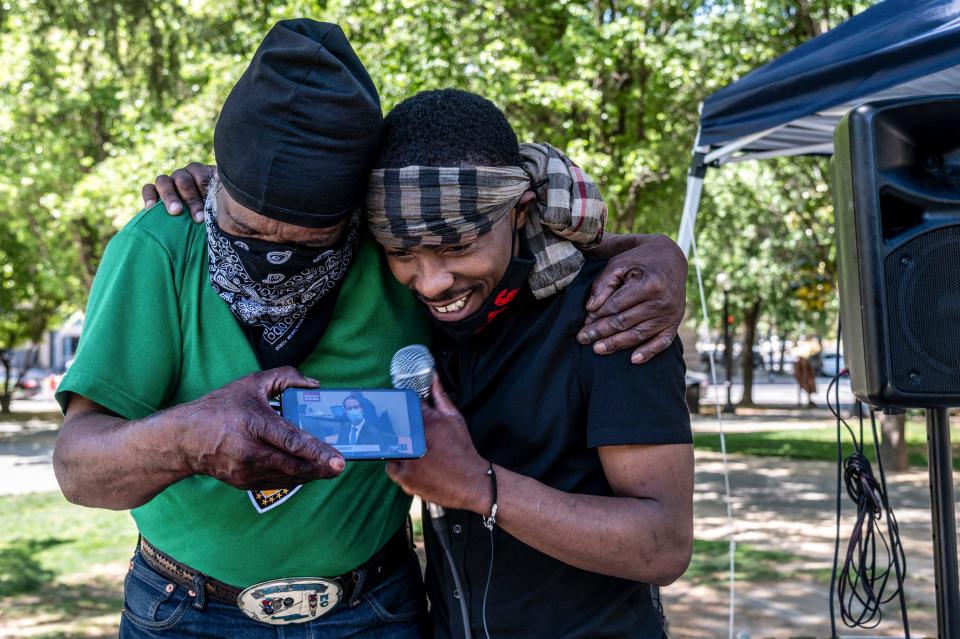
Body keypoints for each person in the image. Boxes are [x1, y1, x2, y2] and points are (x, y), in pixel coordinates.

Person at [64, 20, 687, 639]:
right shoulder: (164, 245)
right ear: (217, 188)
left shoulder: (408, 256)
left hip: (373, 609)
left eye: (309, 241)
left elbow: (507, 239)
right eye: (248, 231)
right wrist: (186, 440)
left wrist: (660, 256)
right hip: (187, 611)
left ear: (354, 215)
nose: (432, 280)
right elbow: (76, 465)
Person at [369, 90, 694, 638]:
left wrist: (481, 487)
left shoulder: (613, 313)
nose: (430, 282)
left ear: (519, 212)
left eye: (456, 248)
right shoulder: (424, 314)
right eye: (404, 254)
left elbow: (662, 543)